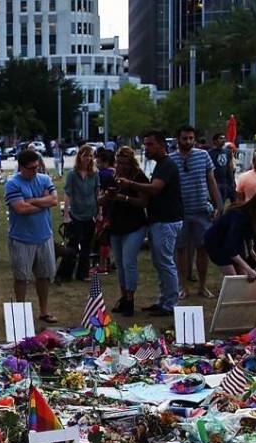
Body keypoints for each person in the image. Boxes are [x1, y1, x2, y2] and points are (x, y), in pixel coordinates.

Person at [117, 130, 183, 316]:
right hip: (160, 220)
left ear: (161, 145)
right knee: (160, 262)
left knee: (165, 262)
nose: (146, 148)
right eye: (145, 144)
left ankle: (170, 304)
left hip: (166, 220)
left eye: (149, 144)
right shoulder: (161, 165)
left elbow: (155, 189)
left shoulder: (167, 165)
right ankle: (164, 300)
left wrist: (130, 185)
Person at [5, 149, 59, 323]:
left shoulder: (44, 179)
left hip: (44, 237)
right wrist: (43, 202)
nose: (35, 170)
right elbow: (20, 209)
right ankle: (20, 315)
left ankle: (44, 311)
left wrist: (31, 201)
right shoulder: (12, 184)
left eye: (37, 166)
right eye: (31, 168)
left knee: (43, 276)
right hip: (21, 239)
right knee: (21, 278)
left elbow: (54, 200)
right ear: (21, 167)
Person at [172, 125, 222, 299]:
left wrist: (218, 205)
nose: (188, 141)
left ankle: (202, 286)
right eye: (184, 138)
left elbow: (211, 182)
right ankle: (183, 287)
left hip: (202, 209)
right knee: (181, 250)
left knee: (203, 248)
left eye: (191, 138)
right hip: (180, 211)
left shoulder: (203, 156)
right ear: (178, 139)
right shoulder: (171, 159)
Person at [105, 146, 148, 316]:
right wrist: (107, 196)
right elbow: (101, 200)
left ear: (132, 163)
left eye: (125, 163)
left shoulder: (138, 178)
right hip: (116, 226)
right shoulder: (112, 177)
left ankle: (130, 299)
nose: (121, 166)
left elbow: (144, 202)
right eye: (119, 163)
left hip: (134, 225)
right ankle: (123, 297)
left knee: (129, 262)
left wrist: (124, 198)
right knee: (120, 264)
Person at [204, 190, 256, 282]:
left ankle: (244, 295)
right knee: (233, 278)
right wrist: (249, 269)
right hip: (216, 242)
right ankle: (232, 294)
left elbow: (248, 233)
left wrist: (250, 248)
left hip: (234, 240)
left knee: (243, 275)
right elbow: (230, 248)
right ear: (255, 206)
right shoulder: (239, 216)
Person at [61, 144, 101, 282]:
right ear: (80, 156)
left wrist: (99, 211)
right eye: (85, 156)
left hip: (90, 212)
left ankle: (82, 273)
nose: (88, 159)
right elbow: (68, 194)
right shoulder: (72, 174)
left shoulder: (95, 174)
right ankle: (65, 272)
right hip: (76, 213)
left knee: (87, 245)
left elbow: (97, 193)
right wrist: (66, 214)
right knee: (73, 243)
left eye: (91, 156)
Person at [208, 133, 235, 208]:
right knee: (218, 205)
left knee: (223, 202)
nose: (223, 140)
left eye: (224, 138)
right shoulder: (210, 153)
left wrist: (232, 181)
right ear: (215, 141)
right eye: (221, 138)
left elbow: (229, 166)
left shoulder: (227, 152)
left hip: (225, 182)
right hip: (215, 182)